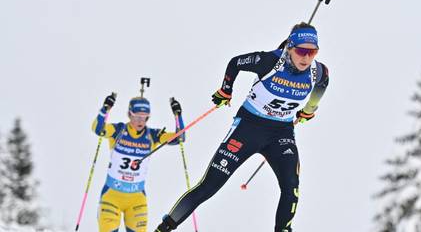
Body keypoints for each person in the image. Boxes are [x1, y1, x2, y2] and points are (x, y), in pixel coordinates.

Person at [155, 22, 329, 232]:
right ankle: (164, 227)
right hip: (249, 127)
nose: (306, 58)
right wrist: (226, 90)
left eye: (313, 53)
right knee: (209, 186)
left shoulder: (319, 72)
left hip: (281, 133)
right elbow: (235, 62)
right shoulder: (268, 61)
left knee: (291, 187)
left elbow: (321, 87)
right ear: (290, 47)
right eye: (301, 51)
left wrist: (309, 111)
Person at [92, 95, 185, 232]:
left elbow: (180, 138)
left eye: (144, 117)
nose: (140, 120)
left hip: (136, 199)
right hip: (112, 196)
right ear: (129, 114)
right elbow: (98, 129)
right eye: (136, 116)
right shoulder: (118, 130)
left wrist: (178, 115)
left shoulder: (153, 136)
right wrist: (105, 109)